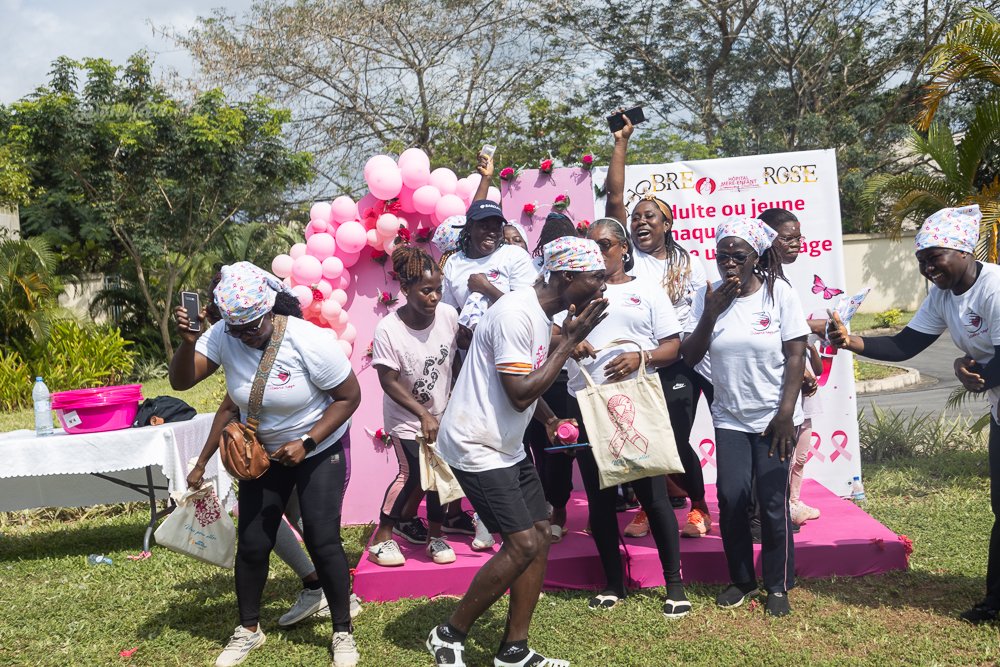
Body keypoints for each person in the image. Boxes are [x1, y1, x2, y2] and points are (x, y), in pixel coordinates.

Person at [426, 237, 609, 667]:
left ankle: (514, 651)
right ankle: (448, 634)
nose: (602, 286)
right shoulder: (515, 314)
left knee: (540, 534)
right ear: (567, 275)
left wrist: (549, 419)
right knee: (523, 543)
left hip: (505, 444)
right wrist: (570, 342)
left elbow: (524, 384)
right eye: (596, 277)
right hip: (476, 444)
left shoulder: (539, 313)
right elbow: (520, 392)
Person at [169, 261, 362, 667]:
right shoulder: (224, 335)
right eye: (236, 329)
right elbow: (182, 382)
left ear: (269, 310)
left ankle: (342, 631)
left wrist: (307, 442)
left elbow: (349, 397)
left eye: (252, 327)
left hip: (317, 448)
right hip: (265, 454)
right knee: (254, 542)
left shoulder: (307, 340)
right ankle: (248, 630)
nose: (244, 336)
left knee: (322, 538)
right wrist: (188, 343)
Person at [824, 205, 1000, 624]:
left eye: (934, 257)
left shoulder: (994, 288)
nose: (927, 269)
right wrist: (850, 341)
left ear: (963, 250)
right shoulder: (942, 295)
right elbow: (905, 345)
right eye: (921, 260)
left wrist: (969, 372)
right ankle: (995, 601)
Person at [555, 217, 691, 616]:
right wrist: (568, 342)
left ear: (624, 248)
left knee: (653, 495)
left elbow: (673, 346)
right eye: (590, 246)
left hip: (636, 401)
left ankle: (674, 585)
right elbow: (548, 335)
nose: (598, 253)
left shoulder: (645, 290)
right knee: (599, 499)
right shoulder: (574, 291)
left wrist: (640, 357)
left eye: (605, 245)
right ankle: (613, 583)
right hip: (586, 403)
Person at [680, 218, 808, 617]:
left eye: (738, 256)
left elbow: (796, 355)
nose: (729, 264)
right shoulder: (708, 298)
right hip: (730, 416)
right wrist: (710, 313)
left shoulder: (778, 292)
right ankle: (741, 579)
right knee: (731, 498)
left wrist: (786, 414)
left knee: (771, 502)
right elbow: (690, 356)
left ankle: (778, 584)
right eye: (722, 256)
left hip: (775, 418)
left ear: (756, 257)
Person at [605, 112, 713, 538]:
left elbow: (705, 317)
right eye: (636, 218)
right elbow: (615, 198)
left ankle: (699, 506)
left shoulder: (691, 264)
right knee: (641, 439)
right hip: (637, 366)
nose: (640, 222)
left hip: (678, 363)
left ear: (667, 225)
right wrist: (621, 142)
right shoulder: (630, 259)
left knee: (674, 441)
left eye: (650, 216)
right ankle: (652, 508)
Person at [368, 246, 461, 567]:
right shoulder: (389, 330)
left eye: (438, 289)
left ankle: (435, 537)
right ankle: (383, 538)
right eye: (426, 291)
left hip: (442, 413)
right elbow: (388, 381)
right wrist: (422, 414)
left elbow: (455, 358)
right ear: (406, 289)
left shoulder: (448, 315)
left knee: (439, 475)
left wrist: (455, 400)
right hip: (406, 417)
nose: (434, 297)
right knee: (413, 474)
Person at [758, 208, 824, 526]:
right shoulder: (761, 280)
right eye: (788, 238)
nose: (796, 244)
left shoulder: (779, 278)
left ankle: (782, 511)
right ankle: (769, 518)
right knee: (772, 458)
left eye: (798, 237)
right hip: (769, 388)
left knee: (786, 456)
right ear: (768, 239)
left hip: (786, 386)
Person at [442, 199, 537, 330]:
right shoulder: (453, 262)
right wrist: (462, 333)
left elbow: (525, 309)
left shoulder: (515, 255)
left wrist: (487, 288)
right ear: (469, 227)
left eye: (497, 228)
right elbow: (449, 311)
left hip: (509, 337)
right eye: (485, 227)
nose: (492, 233)